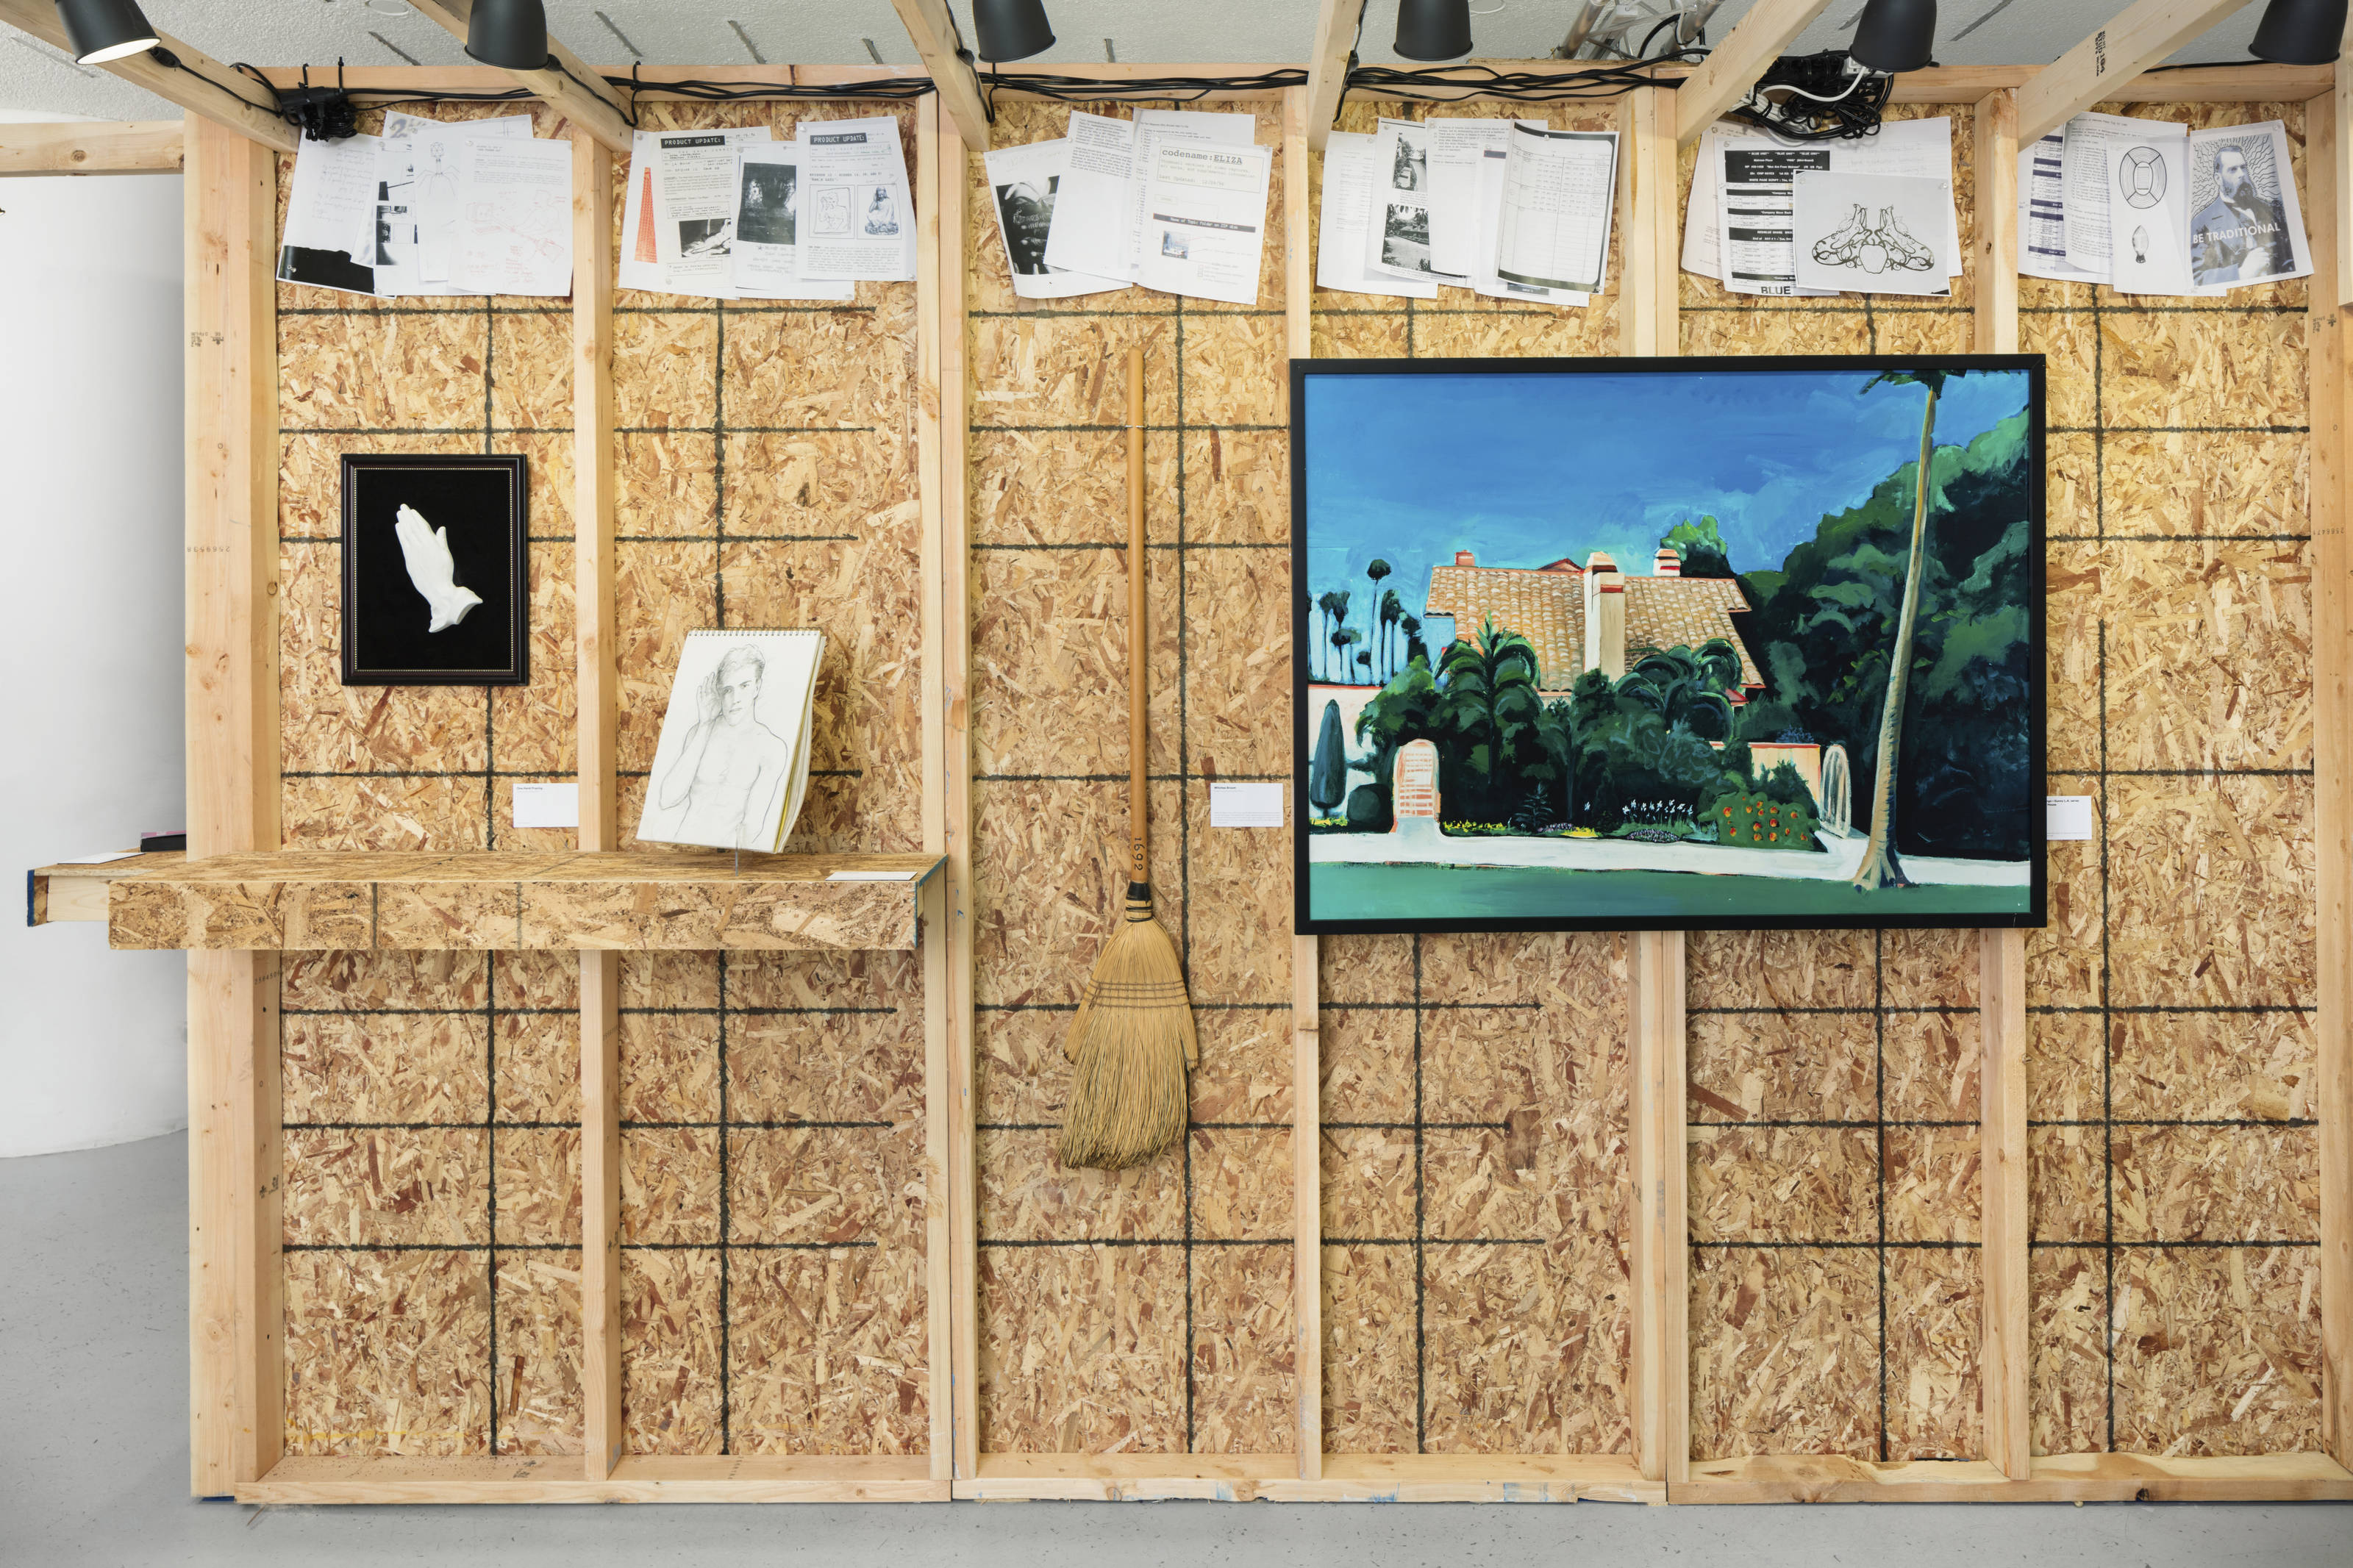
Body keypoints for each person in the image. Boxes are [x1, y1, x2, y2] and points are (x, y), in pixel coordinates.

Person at [656, 646, 793, 848]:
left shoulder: (771, 747)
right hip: (688, 845)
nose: (735, 699)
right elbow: (667, 798)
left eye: (744, 686)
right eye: (727, 690)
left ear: (757, 687)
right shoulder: (700, 732)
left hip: (732, 854)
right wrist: (705, 725)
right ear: (719, 692)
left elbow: (753, 824)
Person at [2190, 144, 2293, 285]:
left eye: (2243, 167)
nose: (2242, 174)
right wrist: (2241, 273)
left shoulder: (2273, 210)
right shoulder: (2202, 223)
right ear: (2218, 179)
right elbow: (2196, 278)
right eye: (2233, 170)